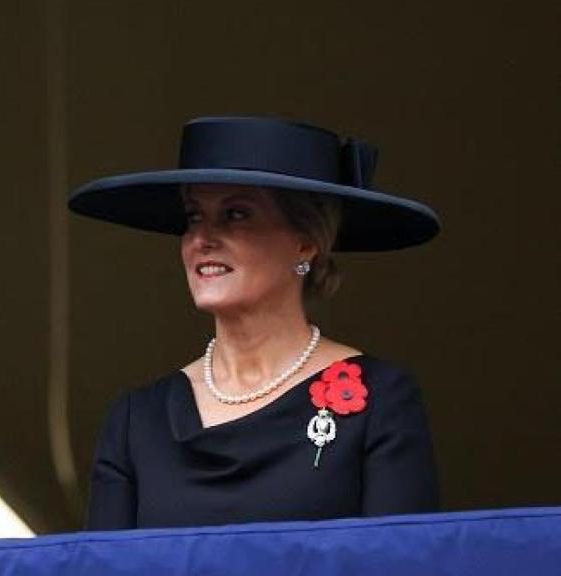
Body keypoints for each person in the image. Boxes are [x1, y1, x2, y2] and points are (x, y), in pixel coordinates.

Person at [69, 117, 440, 530]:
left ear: (306, 240)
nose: (202, 239)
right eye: (193, 217)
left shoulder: (381, 400)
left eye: (235, 214)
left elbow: (405, 563)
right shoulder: (135, 422)